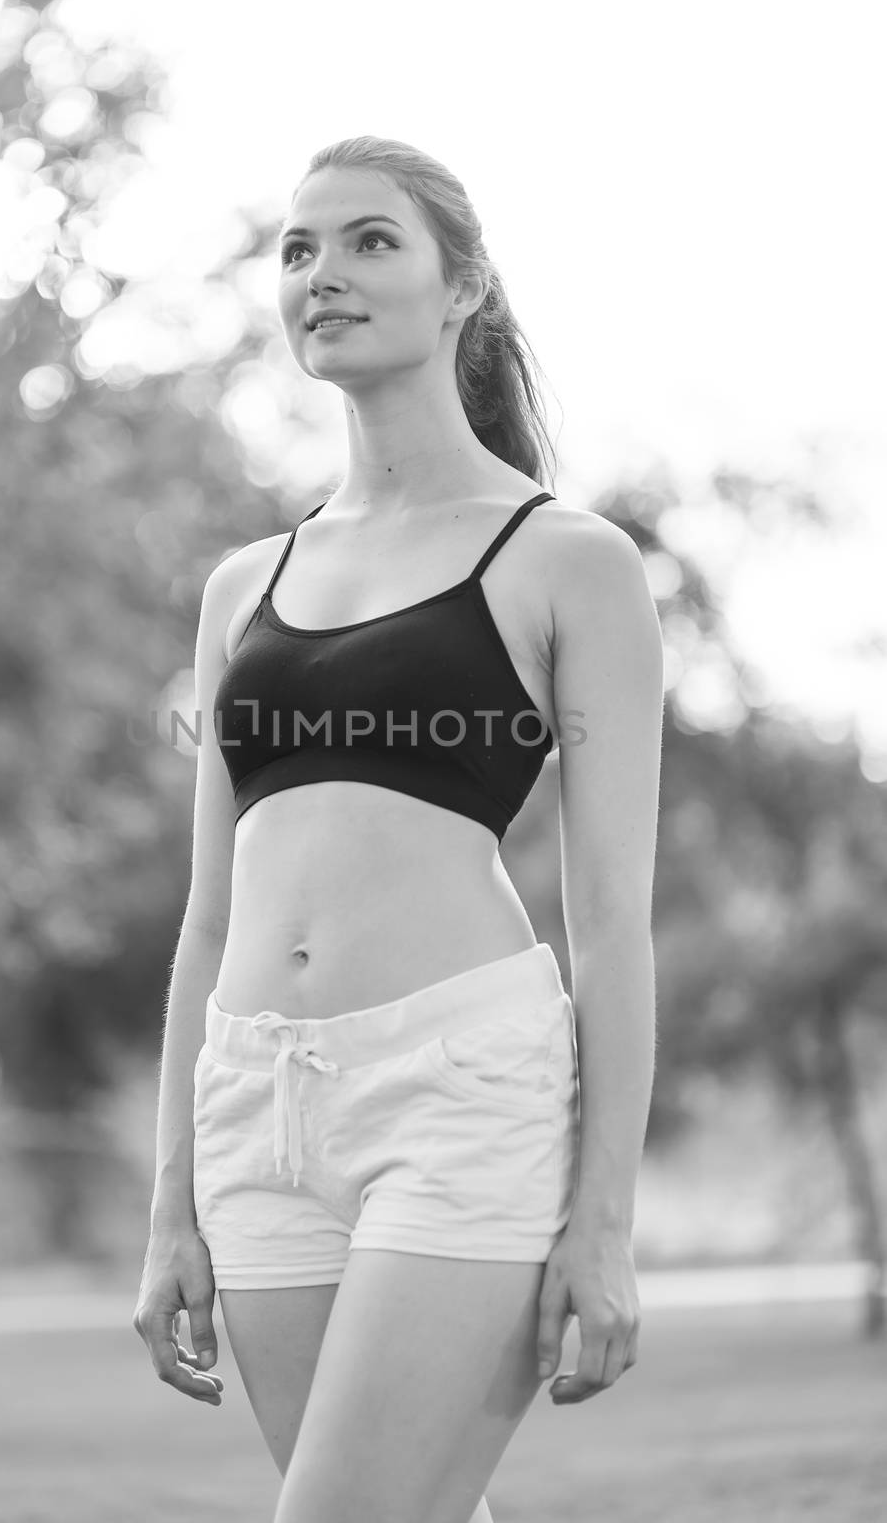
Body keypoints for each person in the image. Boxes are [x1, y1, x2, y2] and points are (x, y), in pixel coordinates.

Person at [134, 135, 663, 1523]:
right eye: (298, 250)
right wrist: (169, 1202)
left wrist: (602, 1224)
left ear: (461, 288)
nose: (323, 275)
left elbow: (608, 923)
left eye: (370, 242)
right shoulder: (242, 583)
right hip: (256, 1109)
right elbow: (207, 919)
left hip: (457, 1088)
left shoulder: (564, 560)